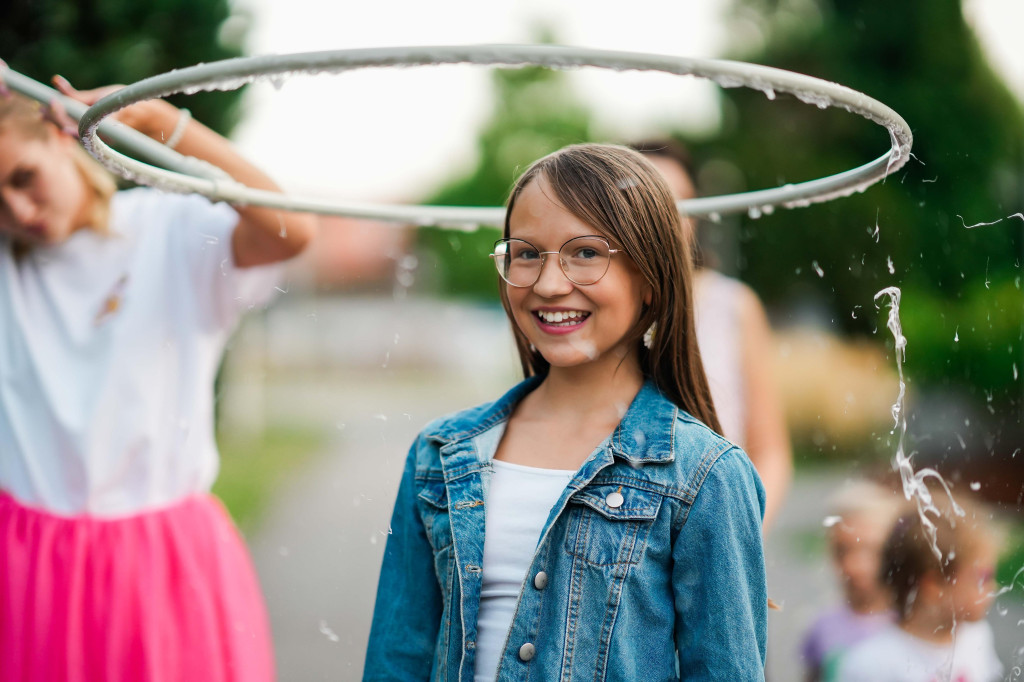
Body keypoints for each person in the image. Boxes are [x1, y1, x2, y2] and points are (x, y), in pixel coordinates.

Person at [363, 143, 767, 681]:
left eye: (585, 252)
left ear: (650, 279)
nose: (549, 284)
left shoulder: (707, 476)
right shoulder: (439, 454)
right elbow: (398, 661)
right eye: (526, 253)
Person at [0, 74, 316, 682]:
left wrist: (157, 123)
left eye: (23, 177)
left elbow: (292, 232)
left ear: (58, 136)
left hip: (161, 559)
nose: (17, 210)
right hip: (25, 564)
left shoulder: (167, 226)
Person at [632, 139, 793, 529]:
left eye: (684, 203)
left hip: (718, 527)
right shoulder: (601, 311)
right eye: (654, 203)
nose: (674, 219)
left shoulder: (733, 304)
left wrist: (739, 538)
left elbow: (770, 450)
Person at [833, 497, 1004, 682]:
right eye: (983, 577)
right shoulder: (870, 665)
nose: (994, 587)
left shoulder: (977, 637)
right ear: (934, 586)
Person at [800, 480, 903, 682]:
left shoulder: (912, 626)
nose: (853, 565)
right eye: (842, 550)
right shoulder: (822, 629)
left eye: (869, 549)